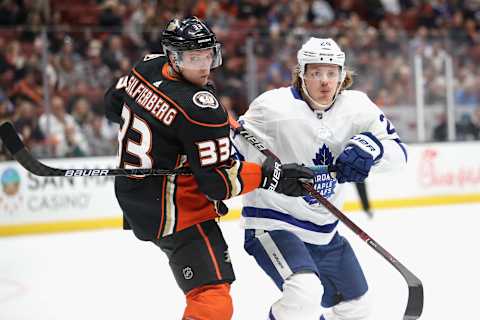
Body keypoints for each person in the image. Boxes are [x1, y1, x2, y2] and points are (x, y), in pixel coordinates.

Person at [103, 17, 314, 320]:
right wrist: (272, 176)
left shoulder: (147, 66)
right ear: (173, 58)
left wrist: (176, 139)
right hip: (176, 211)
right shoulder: (200, 109)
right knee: (212, 299)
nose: (204, 67)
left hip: (134, 196)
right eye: (193, 59)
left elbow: (113, 106)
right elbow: (219, 183)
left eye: (208, 56)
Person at [232, 37, 408, 320]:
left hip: (324, 232)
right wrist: (267, 174)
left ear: (342, 74)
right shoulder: (271, 108)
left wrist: (372, 150)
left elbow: (399, 154)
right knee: (304, 293)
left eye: (332, 72)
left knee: (358, 307)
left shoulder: (359, 107)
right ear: (301, 74)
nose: (325, 81)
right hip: (274, 222)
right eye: (316, 73)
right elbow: (231, 155)